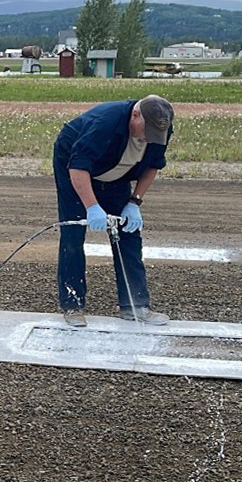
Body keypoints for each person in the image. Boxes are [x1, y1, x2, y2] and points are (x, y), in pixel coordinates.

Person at [53, 95, 175, 328]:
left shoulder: (160, 126)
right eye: (146, 130)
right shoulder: (104, 123)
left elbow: (152, 166)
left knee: (128, 234)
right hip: (74, 167)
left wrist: (134, 202)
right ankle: (73, 304)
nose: (149, 138)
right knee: (72, 234)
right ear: (136, 115)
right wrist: (91, 207)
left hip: (118, 173)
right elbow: (78, 167)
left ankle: (135, 305)